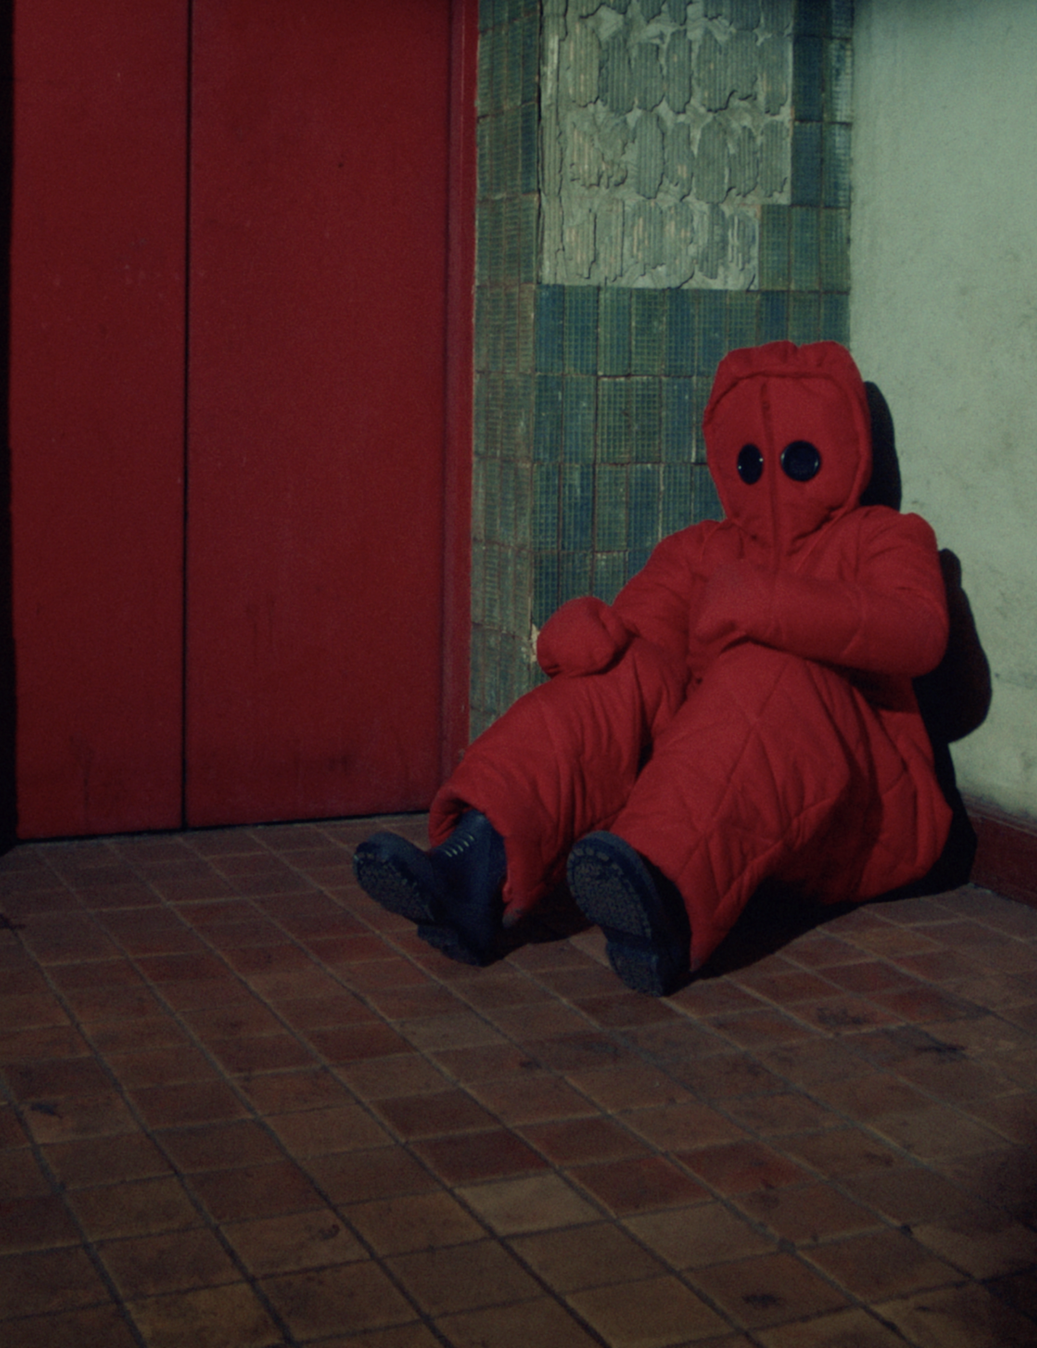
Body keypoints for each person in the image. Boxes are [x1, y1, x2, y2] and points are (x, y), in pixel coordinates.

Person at [354, 340, 955, 995]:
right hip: (732, 801)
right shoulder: (702, 550)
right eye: (752, 463)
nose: (774, 482)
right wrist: (584, 636)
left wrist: (767, 604)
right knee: (619, 675)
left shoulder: (885, 536)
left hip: (865, 810)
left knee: (765, 673)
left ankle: (662, 900)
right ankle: (473, 868)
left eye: (800, 459)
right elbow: (645, 636)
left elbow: (919, 630)